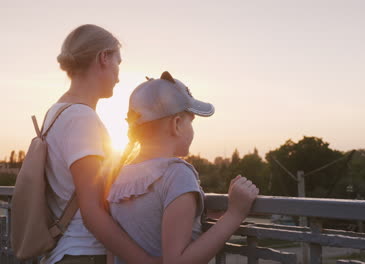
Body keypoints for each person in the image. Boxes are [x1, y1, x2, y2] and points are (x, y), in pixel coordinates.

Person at [107, 71, 259, 264]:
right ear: (177, 124)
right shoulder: (176, 174)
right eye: (191, 121)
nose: (192, 130)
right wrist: (234, 214)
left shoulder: (120, 176)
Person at [42, 24, 158, 264]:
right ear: (103, 58)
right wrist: (145, 261)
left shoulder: (55, 114)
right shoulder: (81, 119)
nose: (118, 75)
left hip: (63, 251)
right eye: (118, 62)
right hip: (82, 254)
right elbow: (92, 212)